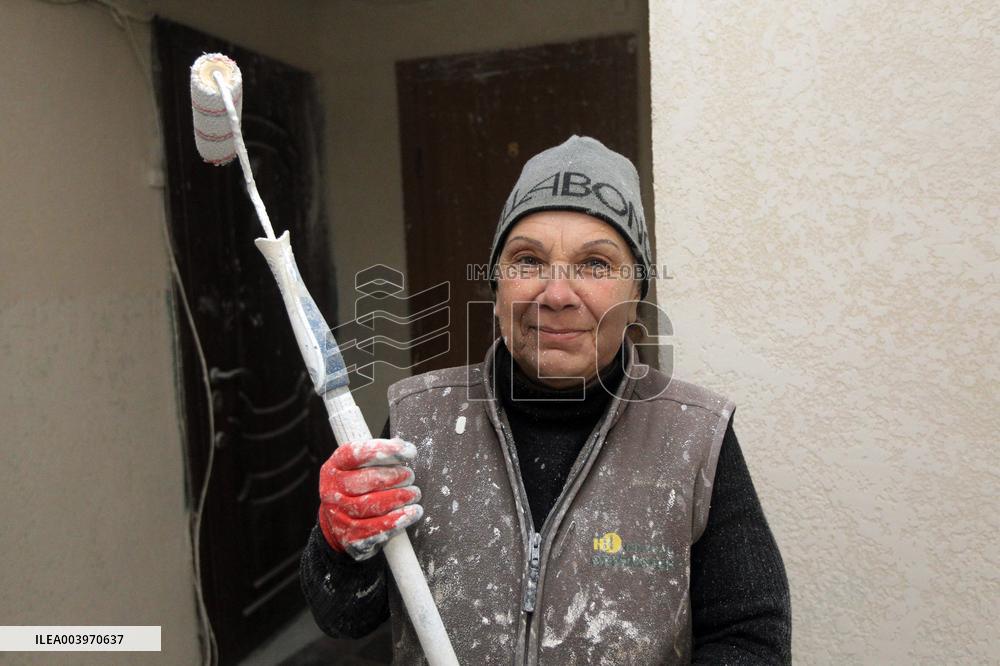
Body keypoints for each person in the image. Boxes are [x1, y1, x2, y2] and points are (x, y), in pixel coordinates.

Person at [299, 136, 791, 664]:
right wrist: (340, 545)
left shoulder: (695, 436)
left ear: (636, 294)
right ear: (497, 286)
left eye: (595, 264)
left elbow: (750, 637)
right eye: (529, 260)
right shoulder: (420, 420)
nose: (556, 295)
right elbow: (345, 616)